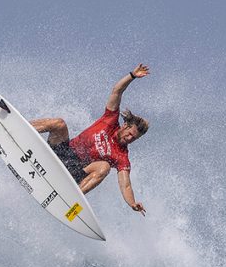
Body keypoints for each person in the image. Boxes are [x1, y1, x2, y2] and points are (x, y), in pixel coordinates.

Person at [30, 64, 150, 215]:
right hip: (62, 152)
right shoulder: (110, 120)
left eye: (134, 138)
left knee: (104, 167)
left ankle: (71, 200)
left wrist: (132, 203)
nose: (130, 139)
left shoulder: (122, 157)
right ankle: (15, 127)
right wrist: (131, 76)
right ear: (125, 125)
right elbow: (117, 91)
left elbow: (125, 185)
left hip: (74, 171)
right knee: (59, 123)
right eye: (130, 134)